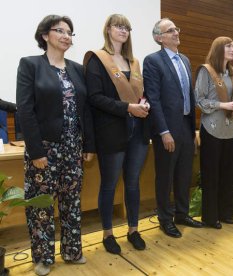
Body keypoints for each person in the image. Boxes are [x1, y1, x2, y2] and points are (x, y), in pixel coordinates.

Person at [16, 15, 95, 276]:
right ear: (44, 35)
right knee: (42, 204)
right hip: (45, 149)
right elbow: (25, 111)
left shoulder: (77, 69)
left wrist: (88, 145)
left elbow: (86, 110)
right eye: (60, 31)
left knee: (71, 202)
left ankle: (72, 251)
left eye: (70, 32)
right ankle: (43, 258)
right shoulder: (30, 65)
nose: (66, 36)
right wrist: (36, 150)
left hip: (73, 147)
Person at [84, 14, 149, 254]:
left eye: (127, 27)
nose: (123, 30)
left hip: (138, 130)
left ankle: (133, 229)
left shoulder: (134, 62)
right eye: (118, 26)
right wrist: (127, 108)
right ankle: (108, 233)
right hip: (111, 131)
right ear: (108, 30)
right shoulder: (97, 60)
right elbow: (95, 98)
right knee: (109, 185)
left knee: (132, 183)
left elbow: (142, 93)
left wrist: (144, 105)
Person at [143, 18, 203, 238]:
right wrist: (164, 131)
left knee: (184, 174)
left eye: (177, 28)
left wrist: (194, 130)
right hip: (167, 130)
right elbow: (154, 99)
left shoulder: (185, 59)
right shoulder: (153, 61)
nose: (176, 32)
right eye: (170, 30)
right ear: (159, 37)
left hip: (186, 128)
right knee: (165, 176)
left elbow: (189, 96)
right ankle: (165, 219)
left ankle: (182, 214)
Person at [195, 36, 233, 229]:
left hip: (231, 129)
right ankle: (210, 217)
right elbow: (199, 100)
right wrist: (222, 104)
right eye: (229, 46)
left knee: (228, 174)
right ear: (218, 49)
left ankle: (226, 212)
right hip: (212, 129)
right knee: (211, 175)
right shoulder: (206, 71)